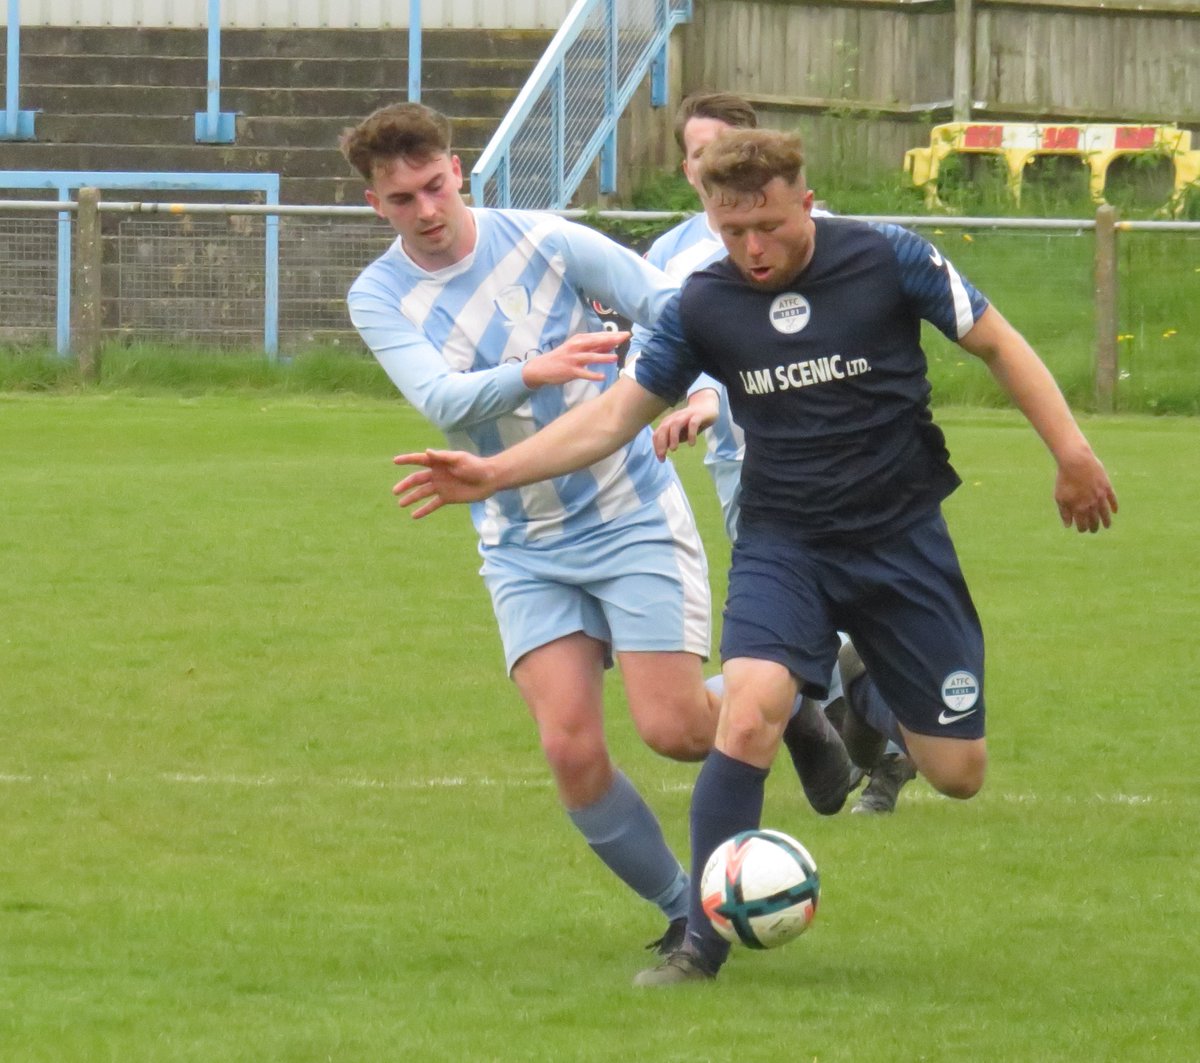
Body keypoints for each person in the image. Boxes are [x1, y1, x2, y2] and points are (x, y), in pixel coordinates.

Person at [391, 127, 1118, 986]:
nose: (751, 249)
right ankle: (701, 942)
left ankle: (860, 694)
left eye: (767, 226)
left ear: (804, 201)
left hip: (900, 541)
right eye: (730, 231)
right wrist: (493, 470)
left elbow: (999, 343)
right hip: (786, 545)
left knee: (957, 771)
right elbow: (614, 415)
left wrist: (1071, 454)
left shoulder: (889, 259)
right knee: (747, 713)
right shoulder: (705, 304)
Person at [340, 104, 857, 959]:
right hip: (520, 541)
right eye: (402, 200)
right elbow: (438, 398)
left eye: (433, 187)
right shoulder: (379, 293)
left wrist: (700, 391)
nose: (426, 211)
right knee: (570, 748)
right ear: (375, 205)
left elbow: (676, 305)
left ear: (458, 169)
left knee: (679, 731)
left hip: (628, 514)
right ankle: (684, 911)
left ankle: (789, 696)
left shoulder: (546, 240)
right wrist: (532, 369)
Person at [643, 91, 916, 815]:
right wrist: (690, 397)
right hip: (742, 467)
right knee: (783, 633)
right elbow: (667, 350)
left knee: (789, 638)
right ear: (688, 166)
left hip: (841, 470)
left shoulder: (812, 238)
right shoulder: (670, 255)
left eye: (730, 147)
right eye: (701, 153)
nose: (716, 163)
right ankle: (867, 732)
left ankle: (864, 732)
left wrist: (710, 397)